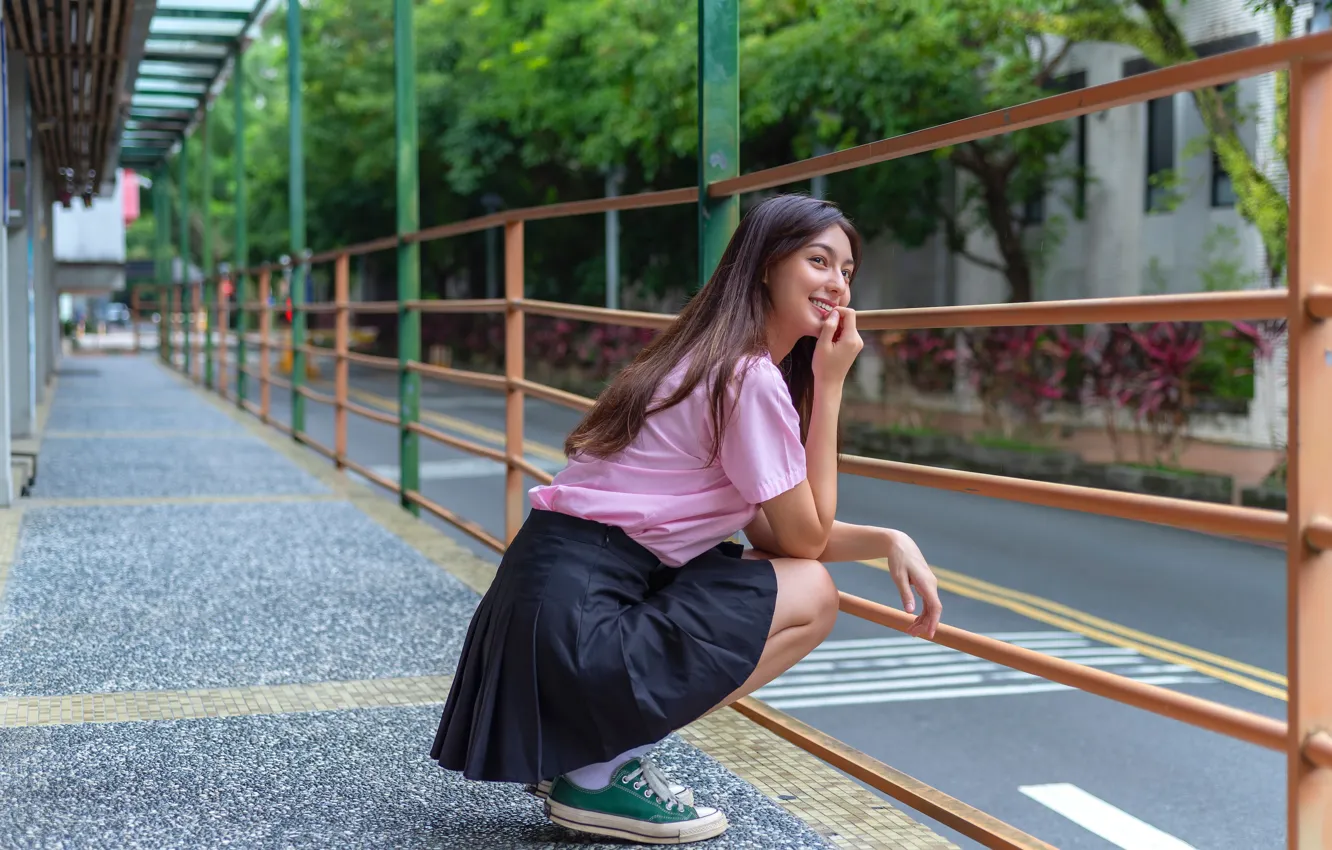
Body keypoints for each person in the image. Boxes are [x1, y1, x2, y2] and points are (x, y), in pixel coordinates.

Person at [429, 194, 942, 844]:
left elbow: (775, 534)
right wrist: (831, 382)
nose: (838, 284)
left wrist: (887, 541)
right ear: (765, 265)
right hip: (578, 624)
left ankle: (583, 756)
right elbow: (806, 542)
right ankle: (598, 770)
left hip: (544, 611)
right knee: (813, 595)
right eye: (819, 261)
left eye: (847, 270)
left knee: (778, 572)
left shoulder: (709, 355)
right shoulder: (749, 377)